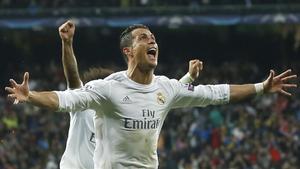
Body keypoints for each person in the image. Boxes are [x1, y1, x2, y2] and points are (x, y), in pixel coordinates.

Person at [5, 24, 297, 169]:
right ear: (128, 51)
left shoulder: (164, 88)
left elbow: (212, 93)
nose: (152, 40)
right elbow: (66, 95)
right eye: (143, 37)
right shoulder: (102, 93)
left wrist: (260, 86)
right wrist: (31, 96)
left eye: (153, 37)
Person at [58, 21, 202, 169]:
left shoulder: (116, 110)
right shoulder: (82, 108)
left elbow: (164, 96)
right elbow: (73, 77)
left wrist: (189, 78)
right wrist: (67, 43)